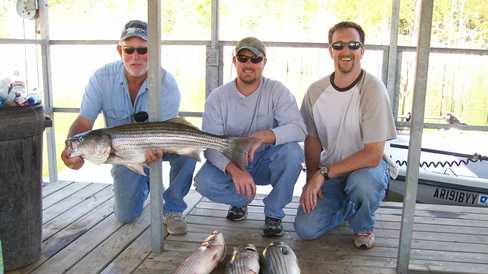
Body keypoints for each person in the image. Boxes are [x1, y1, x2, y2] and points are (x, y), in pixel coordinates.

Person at [61, 20, 196, 235]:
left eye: (143, 50)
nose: (135, 57)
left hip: (160, 145)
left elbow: (169, 127)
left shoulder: (167, 83)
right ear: (119, 50)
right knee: (126, 216)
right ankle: (143, 184)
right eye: (129, 49)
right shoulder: (100, 78)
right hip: (123, 153)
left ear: (153, 52)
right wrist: (71, 149)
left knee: (188, 151)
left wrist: (155, 151)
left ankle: (173, 208)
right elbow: (84, 123)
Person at [294, 21, 397, 249]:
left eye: (353, 44)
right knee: (305, 229)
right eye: (338, 45)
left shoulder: (373, 90)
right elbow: (312, 139)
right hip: (331, 171)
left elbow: (372, 155)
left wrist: (323, 173)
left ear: (362, 50)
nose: (346, 51)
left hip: (367, 170)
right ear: (330, 51)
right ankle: (348, 208)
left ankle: (363, 226)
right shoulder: (315, 91)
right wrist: (312, 178)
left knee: (363, 185)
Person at [194, 37, 306, 237]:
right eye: (243, 58)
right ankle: (241, 200)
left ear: (264, 62)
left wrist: (265, 136)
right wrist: (234, 171)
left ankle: (274, 213)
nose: (249, 64)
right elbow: (210, 147)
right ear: (234, 60)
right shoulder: (217, 97)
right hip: (233, 163)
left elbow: (299, 129)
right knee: (203, 182)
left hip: (265, 162)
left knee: (294, 154)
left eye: (256, 59)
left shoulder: (277, 91)